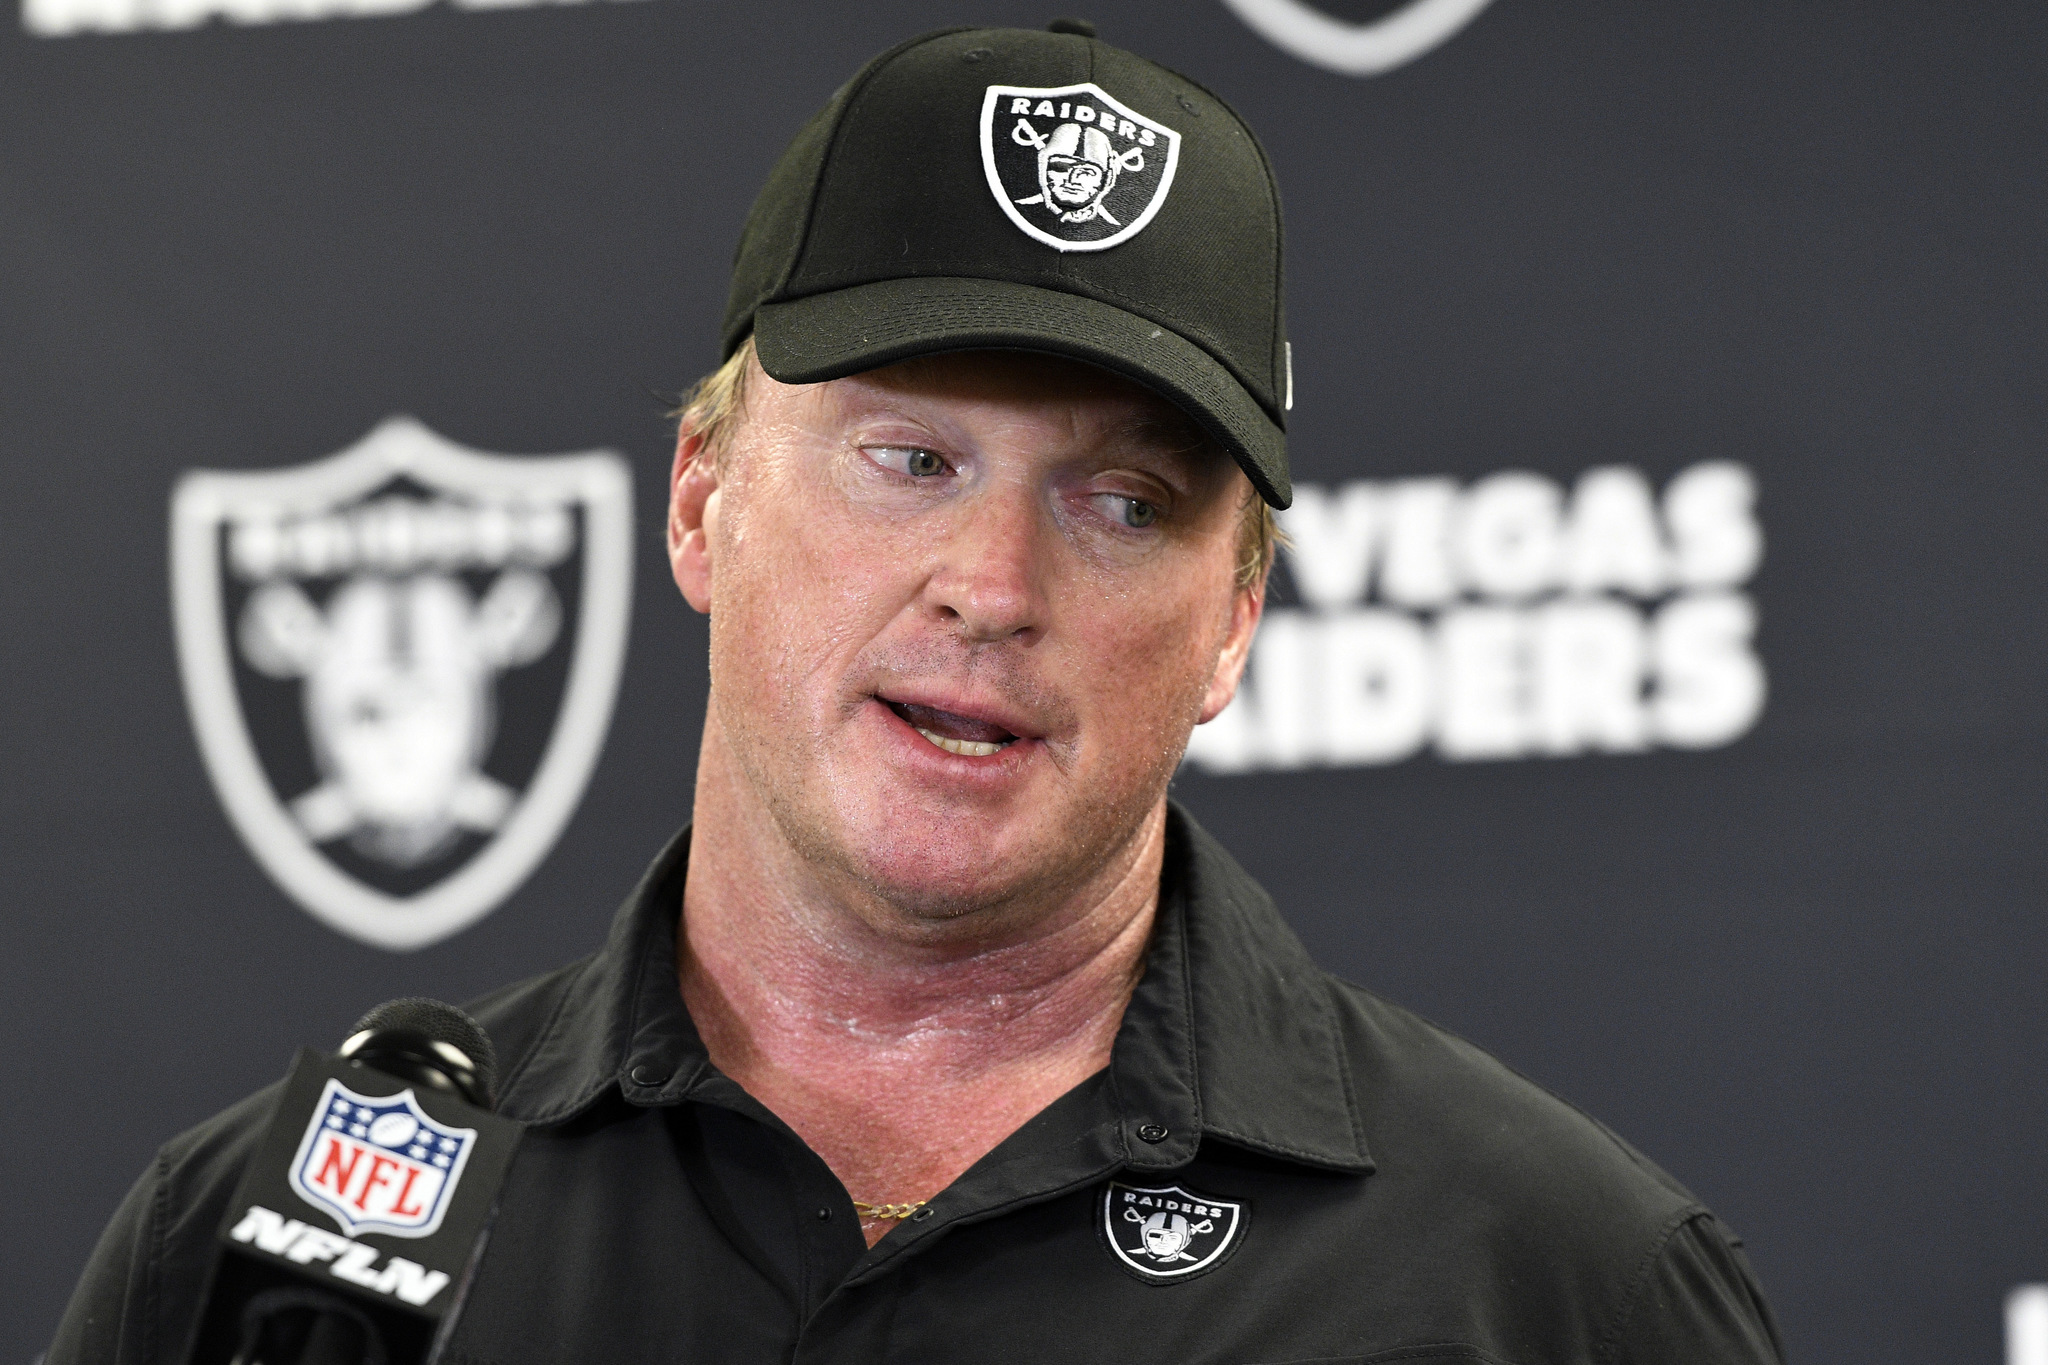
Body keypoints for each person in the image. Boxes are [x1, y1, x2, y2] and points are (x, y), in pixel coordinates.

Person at [52, 21, 1785, 1364]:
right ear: (701, 500)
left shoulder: (1550, 1283)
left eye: (1126, 503)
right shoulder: (270, 1257)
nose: (995, 587)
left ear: (1237, 620)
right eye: (909, 455)